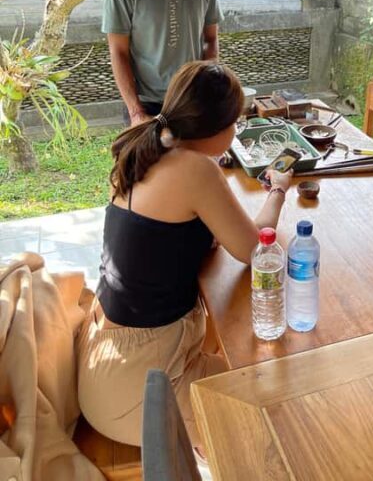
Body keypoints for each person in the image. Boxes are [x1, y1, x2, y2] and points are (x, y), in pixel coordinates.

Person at [77, 60, 292, 449]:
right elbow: (252, 247)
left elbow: (170, 233)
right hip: (137, 389)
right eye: (236, 123)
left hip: (113, 361)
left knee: (265, 377)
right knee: (272, 415)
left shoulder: (148, 144)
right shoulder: (195, 169)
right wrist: (278, 188)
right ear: (218, 128)